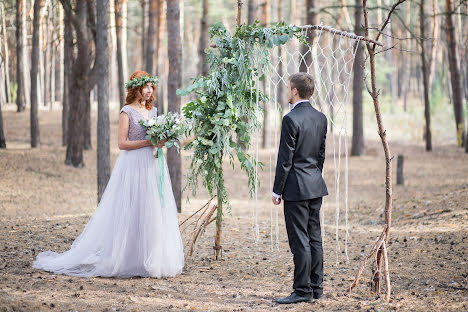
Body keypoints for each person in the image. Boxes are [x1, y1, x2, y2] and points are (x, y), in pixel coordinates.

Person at [33, 70, 184, 278]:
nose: (149, 91)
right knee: (132, 209)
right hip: (133, 166)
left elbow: (156, 139)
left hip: (152, 165)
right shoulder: (126, 112)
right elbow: (122, 143)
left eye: (151, 87)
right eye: (145, 86)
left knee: (151, 210)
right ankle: (126, 258)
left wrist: (163, 140)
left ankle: (150, 259)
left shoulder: (154, 111)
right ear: (136, 88)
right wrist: (148, 142)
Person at [272, 72, 328, 304]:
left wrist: (277, 190)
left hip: (296, 188)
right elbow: (321, 155)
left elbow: (285, 160)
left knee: (300, 240)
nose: (286, 92)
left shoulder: (290, 119)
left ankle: (302, 291)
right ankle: (316, 287)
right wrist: (314, 176)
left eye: (288, 88)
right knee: (314, 237)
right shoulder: (321, 117)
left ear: (295, 91)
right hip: (315, 185)